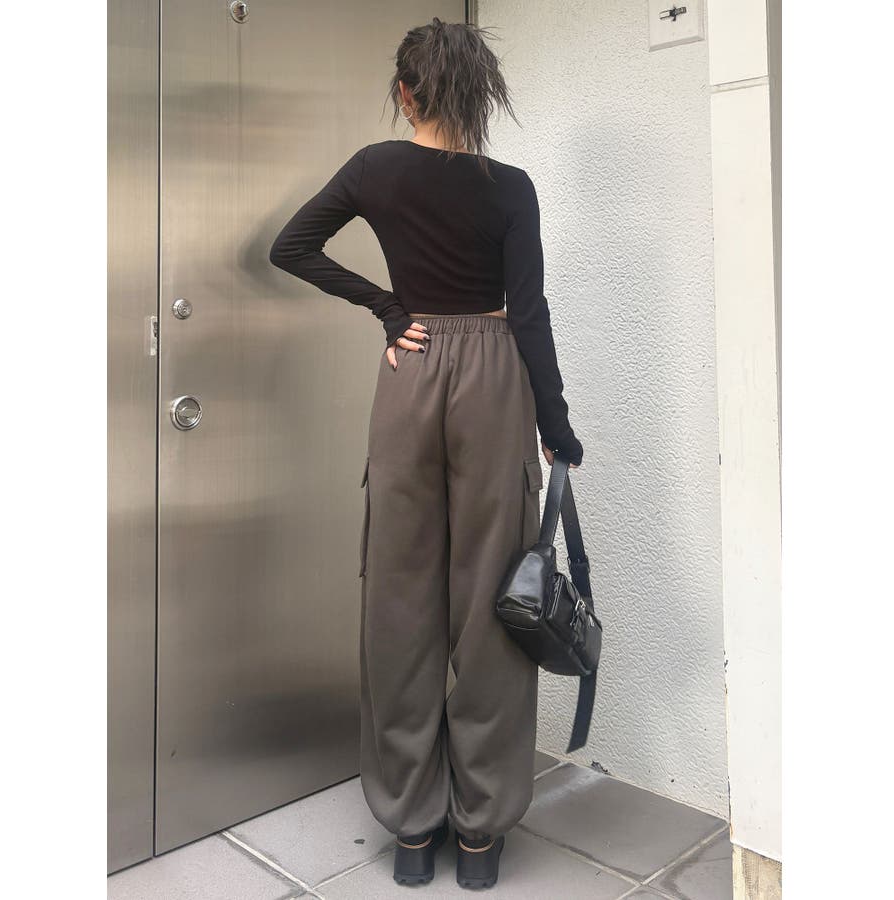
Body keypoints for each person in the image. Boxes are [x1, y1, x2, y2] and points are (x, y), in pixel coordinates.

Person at [269, 16, 583, 891]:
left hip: (410, 375)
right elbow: (529, 314)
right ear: (479, 94)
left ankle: (412, 832)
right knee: (492, 599)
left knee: (400, 597)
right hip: (495, 379)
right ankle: (480, 838)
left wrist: (388, 308)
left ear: (405, 93)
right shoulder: (510, 186)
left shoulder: (375, 167)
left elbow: (291, 247)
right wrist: (556, 424)